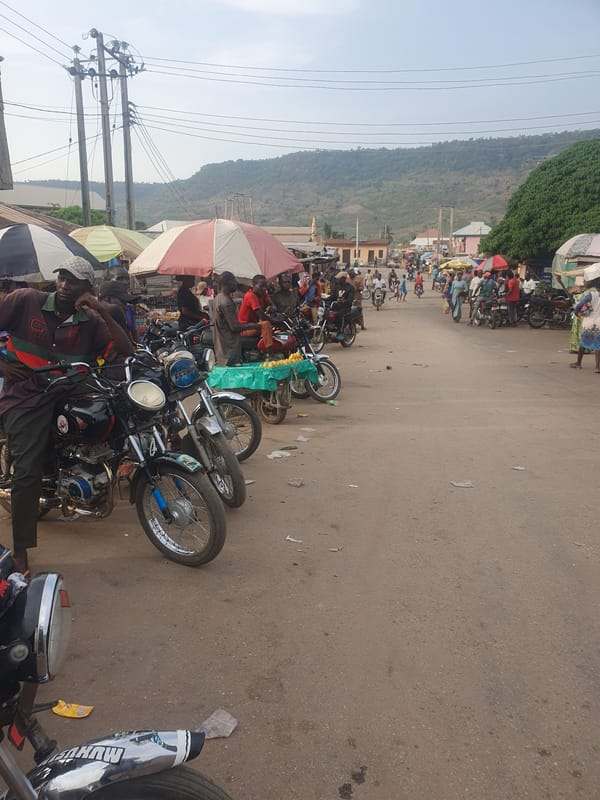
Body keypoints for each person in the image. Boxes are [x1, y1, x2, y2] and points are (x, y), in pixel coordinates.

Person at [0, 256, 134, 574]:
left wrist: (100, 309)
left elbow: (126, 349)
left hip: (71, 390)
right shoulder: (25, 300)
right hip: (28, 395)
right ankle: (21, 551)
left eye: (73, 281)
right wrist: (1, 365)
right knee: (27, 473)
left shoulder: (90, 319)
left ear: (88, 288)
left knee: (117, 417)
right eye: (61, 277)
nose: (64, 285)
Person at [212, 272, 257, 366]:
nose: (235, 285)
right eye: (234, 282)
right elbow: (235, 327)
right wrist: (254, 326)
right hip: (229, 348)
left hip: (222, 346)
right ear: (227, 283)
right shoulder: (226, 302)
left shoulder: (218, 298)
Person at [573, 263, 600, 372]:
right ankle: (597, 367)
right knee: (598, 345)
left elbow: (579, 305)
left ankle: (578, 363)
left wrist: (576, 312)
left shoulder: (592, 294)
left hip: (589, 321)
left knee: (583, 342)